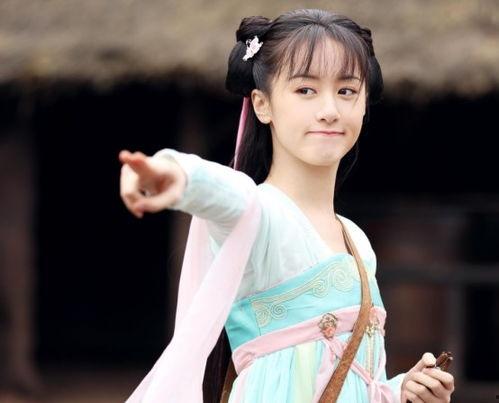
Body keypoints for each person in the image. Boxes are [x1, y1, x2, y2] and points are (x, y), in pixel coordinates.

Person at [119, 8, 455, 403]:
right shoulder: (260, 215)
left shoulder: (358, 242)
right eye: (305, 90)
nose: (329, 110)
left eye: (346, 91)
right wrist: (176, 174)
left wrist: (402, 391)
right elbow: (227, 193)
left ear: (365, 103)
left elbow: (356, 382)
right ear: (262, 105)